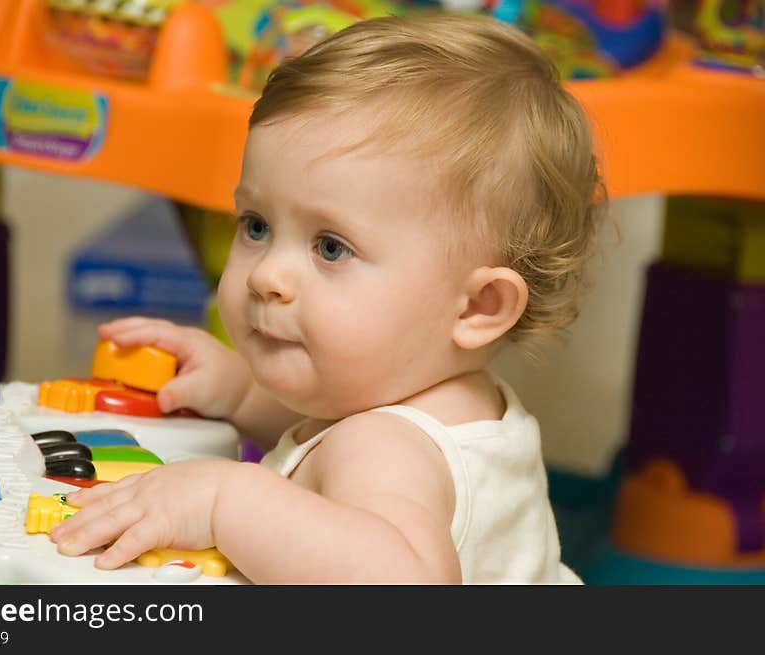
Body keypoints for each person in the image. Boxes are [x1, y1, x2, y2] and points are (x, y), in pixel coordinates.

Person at [49, 13, 606, 584]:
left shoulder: (385, 446)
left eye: (332, 247)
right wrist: (240, 391)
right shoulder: (447, 402)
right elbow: (331, 438)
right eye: (257, 225)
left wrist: (223, 502)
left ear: (477, 307)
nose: (268, 275)